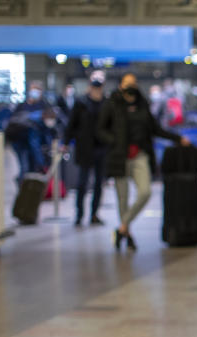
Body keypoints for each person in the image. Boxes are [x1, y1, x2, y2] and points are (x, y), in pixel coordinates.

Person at [97, 73, 190, 251]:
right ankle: (128, 234)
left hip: (140, 154)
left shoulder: (143, 104)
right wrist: (114, 141)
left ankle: (122, 227)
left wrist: (177, 139)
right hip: (119, 157)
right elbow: (101, 129)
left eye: (133, 83)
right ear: (121, 85)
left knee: (145, 192)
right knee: (122, 199)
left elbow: (155, 129)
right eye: (127, 83)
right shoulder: (112, 104)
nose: (131, 86)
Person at [63, 70, 108, 226]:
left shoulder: (106, 103)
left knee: (98, 184)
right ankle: (79, 214)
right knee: (82, 183)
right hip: (85, 148)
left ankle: (94, 214)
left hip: (101, 148)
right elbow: (71, 125)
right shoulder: (81, 103)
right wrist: (66, 142)